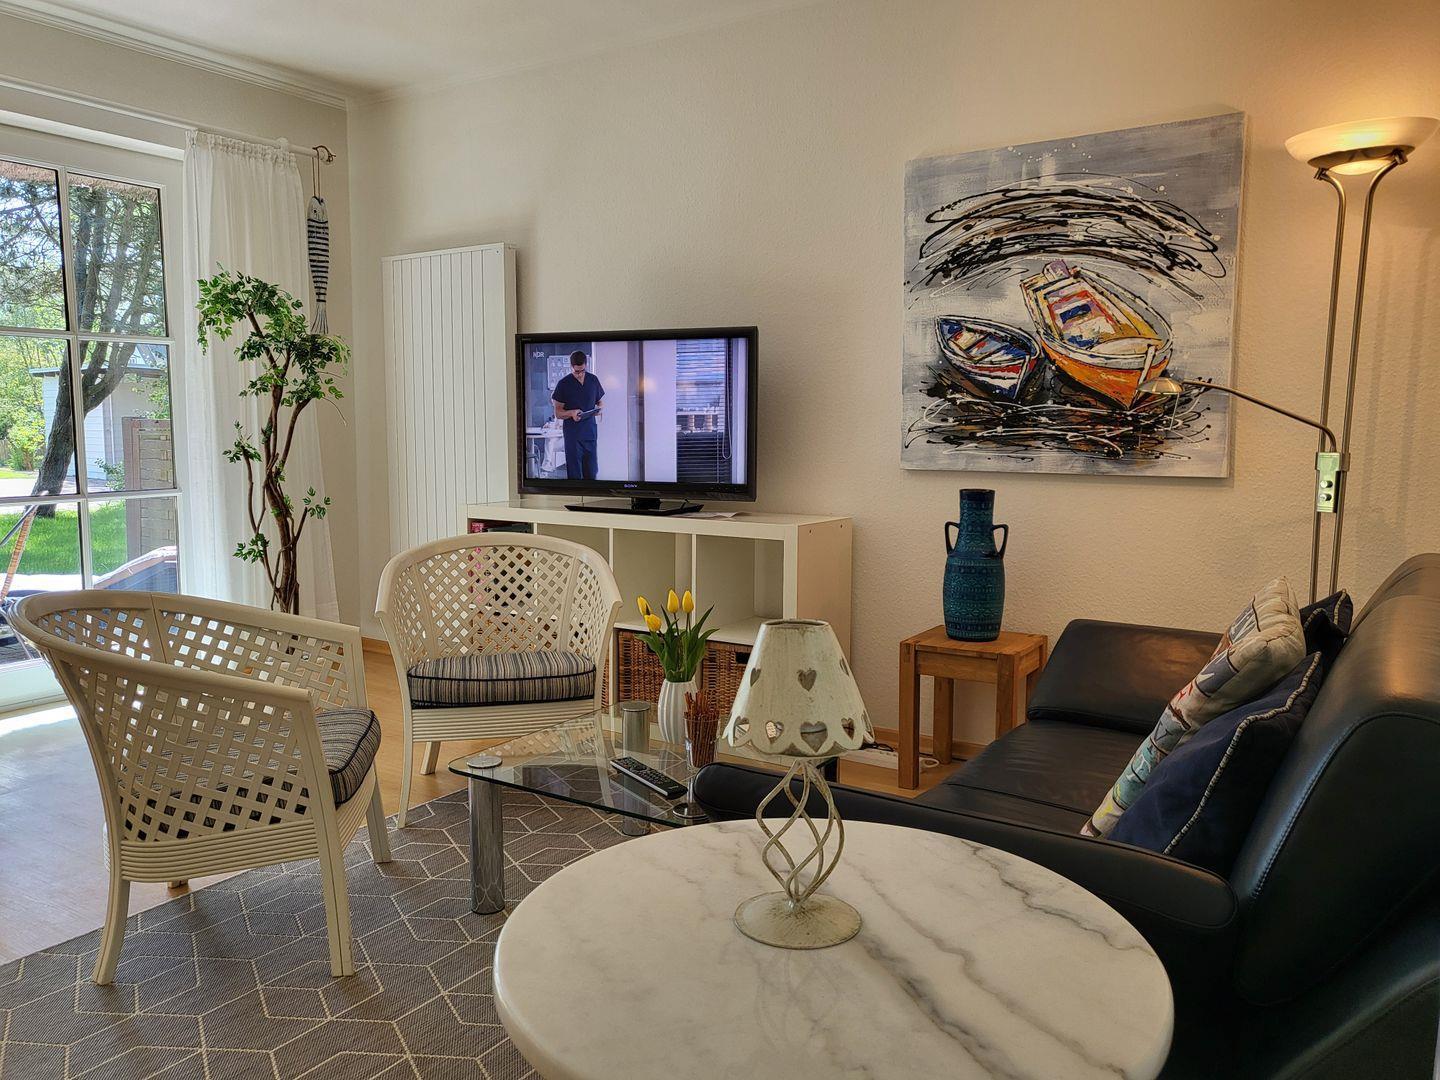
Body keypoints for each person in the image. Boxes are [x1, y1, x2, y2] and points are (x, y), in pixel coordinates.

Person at [550, 350, 604, 480]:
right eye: (576, 372)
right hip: (573, 436)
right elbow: (558, 412)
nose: (579, 374)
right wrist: (571, 413)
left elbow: (600, 401)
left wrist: (599, 409)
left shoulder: (593, 380)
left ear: (586, 365)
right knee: (575, 475)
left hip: (590, 434)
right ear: (571, 367)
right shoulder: (563, 384)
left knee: (591, 473)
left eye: (582, 371)